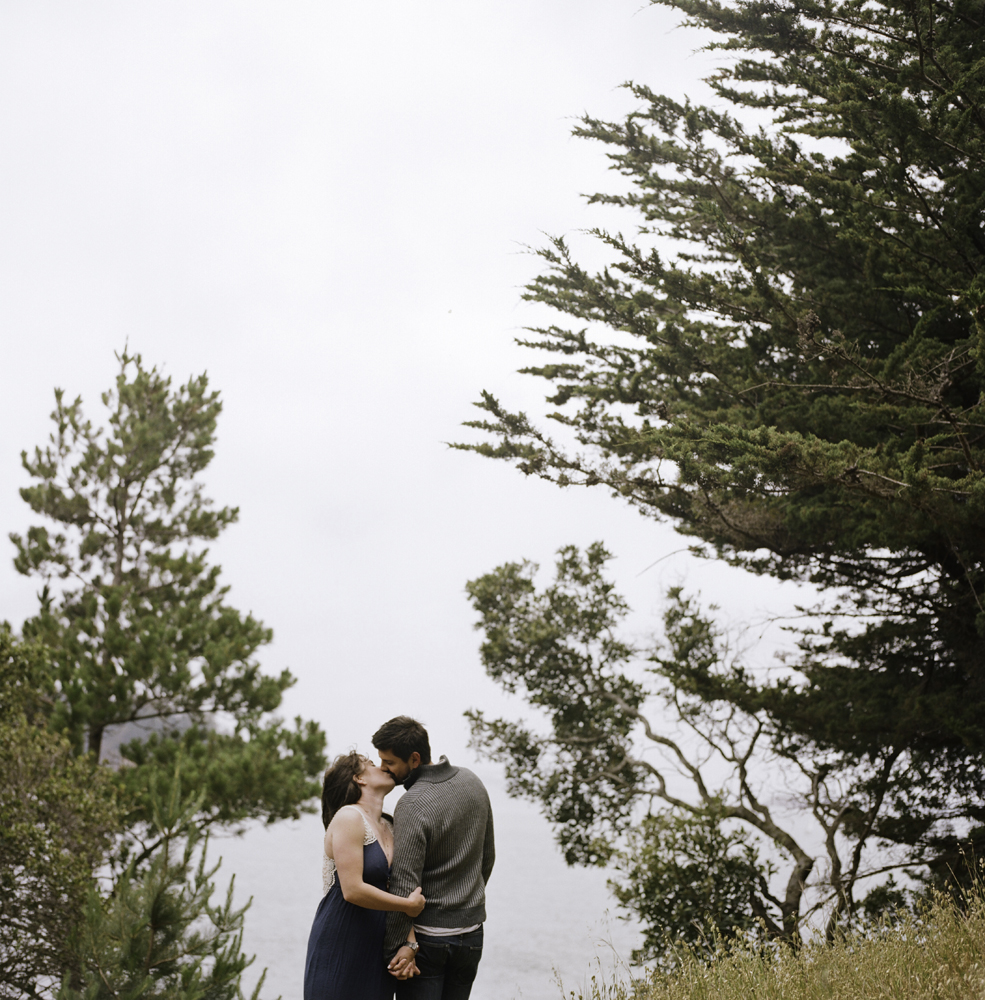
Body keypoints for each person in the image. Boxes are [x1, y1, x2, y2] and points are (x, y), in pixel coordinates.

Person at [373, 716, 495, 1000]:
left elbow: (405, 883)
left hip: (429, 942)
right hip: (472, 936)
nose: (383, 769)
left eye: (389, 762)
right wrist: (465, 901)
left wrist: (397, 948)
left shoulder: (413, 803)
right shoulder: (472, 781)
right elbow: (487, 857)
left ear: (414, 759)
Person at [304, 751, 426, 1000]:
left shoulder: (389, 825)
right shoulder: (349, 817)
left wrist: (409, 944)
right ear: (358, 778)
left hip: (376, 948)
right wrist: (408, 906)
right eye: (372, 764)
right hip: (341, 941)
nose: (383, 767)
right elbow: (352, 890)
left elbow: (396, 886)